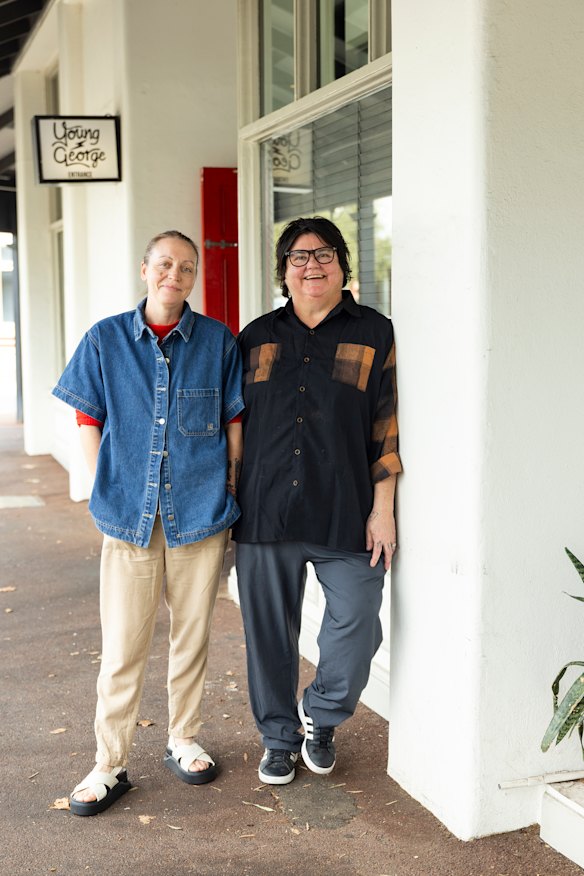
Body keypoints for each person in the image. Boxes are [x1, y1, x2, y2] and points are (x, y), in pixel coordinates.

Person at [52, 230, 243, 815]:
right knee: (123, 645)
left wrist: (230, 485)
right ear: (144, 270)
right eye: (164, 264)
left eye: (186, 268)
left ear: (193, 278)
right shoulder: (106, 339)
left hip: (199, 512)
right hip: (128, 517)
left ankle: (182, 738)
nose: (174, 275)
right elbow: (89, 415)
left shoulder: (217, 341)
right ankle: (109, 763)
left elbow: (233, 416)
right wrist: (99, 484)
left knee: (193, 636)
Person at [233, 216, 401, 785]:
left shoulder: (376, 332)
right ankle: (278, 738)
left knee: (357, 623)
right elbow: (233, 426)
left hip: (345, 509)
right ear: (284, 270)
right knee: (268, 634)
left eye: (324, 254)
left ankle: (321, 716)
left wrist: (383, 509)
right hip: (265, 510)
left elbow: (385, 426)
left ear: (343, 265)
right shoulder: (254, 336)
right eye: (299, 257)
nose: (312, 265)